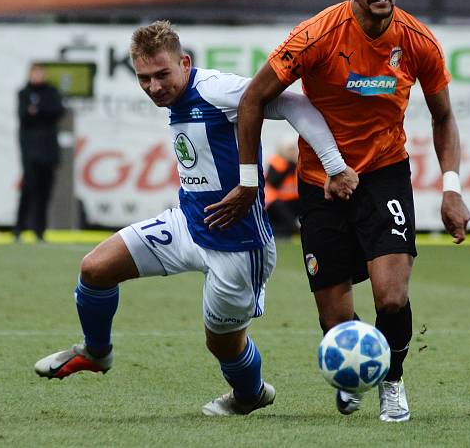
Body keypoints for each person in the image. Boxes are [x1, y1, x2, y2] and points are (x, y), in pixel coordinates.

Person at [33, 21, 356, 416]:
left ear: (184, 63)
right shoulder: (179, 98)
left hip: (238, 247)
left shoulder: (217, 90)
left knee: (221, 343)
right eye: (144, 78)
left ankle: (250, 395)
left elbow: (294, 102)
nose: (153, 87)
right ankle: (97, 353)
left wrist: (335, 166)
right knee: (95, 268)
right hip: (188, 223)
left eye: (162, 74)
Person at [205, 0, 470, 422]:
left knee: (391, 296)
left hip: (385, 174)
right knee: (335, 319)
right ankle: (351, 375)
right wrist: (248, 181)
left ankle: (392, 380)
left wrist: (451, 187)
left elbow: (444, 117)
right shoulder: (315, 36)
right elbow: (252, 101)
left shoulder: (417, 42)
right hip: (319, 182)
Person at [13, 63, 65, 242]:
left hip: (48, 151)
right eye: (35, 73)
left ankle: (39, 231)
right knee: (28, 190)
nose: (38, 76)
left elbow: (57, 111)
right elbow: (24, 115)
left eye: (41, 73)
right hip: (30, 152)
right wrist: (40, 112)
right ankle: (19, 229)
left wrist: (37, 111)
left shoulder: (51, 91)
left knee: (44, 192)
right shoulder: (24, 93)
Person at [263, 138, 300, 237]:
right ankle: (294, 229)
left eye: (293, 150)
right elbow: (274, 183)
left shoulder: (298, 163)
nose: (291, 152)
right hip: (276, 202)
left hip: (293, 199)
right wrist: (288, 168)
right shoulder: (276, 162)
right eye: (289, 150)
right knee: (279, 207)